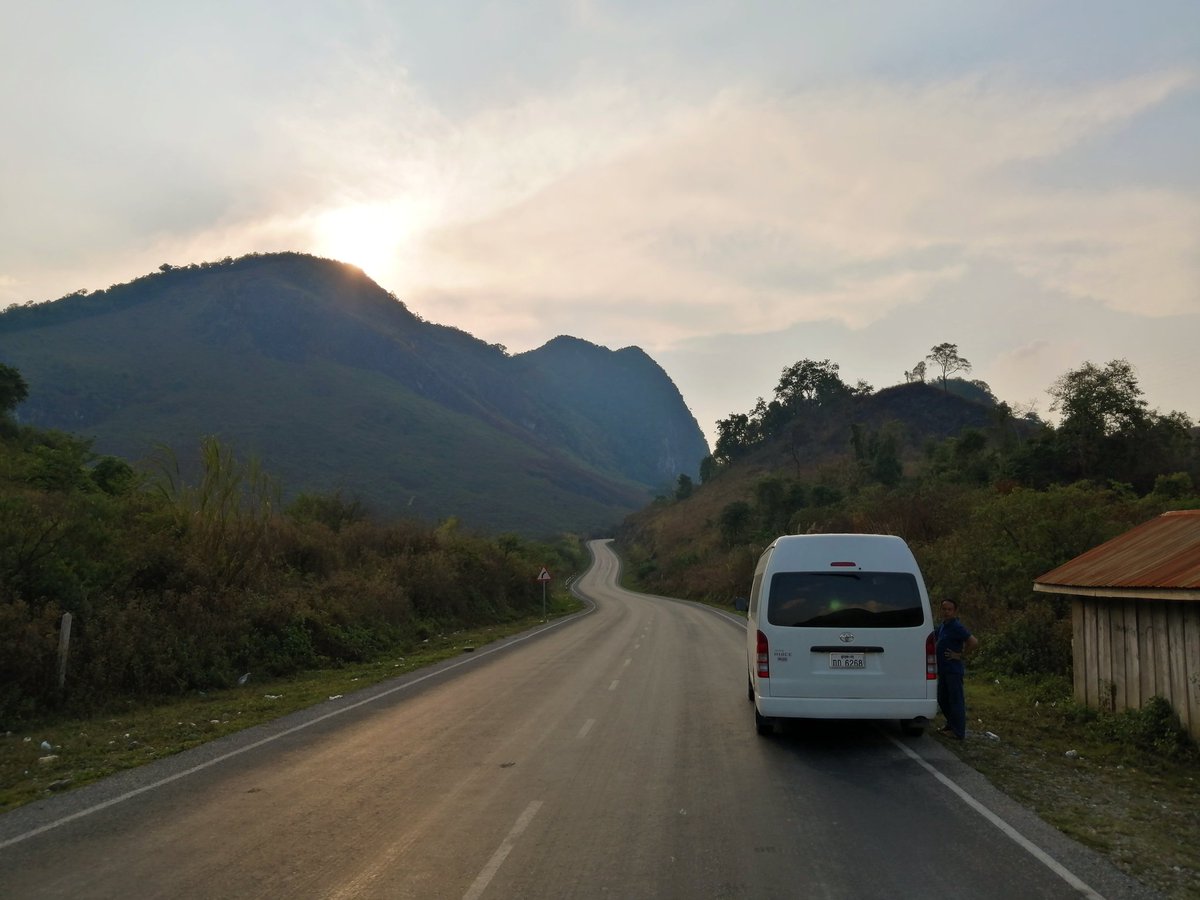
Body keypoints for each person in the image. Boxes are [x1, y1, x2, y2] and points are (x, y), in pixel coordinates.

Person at [936, 598, 979, 740]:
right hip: (943, 670)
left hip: (953, 670)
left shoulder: (956, 627)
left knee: (956, 701)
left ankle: (958, 731)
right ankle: (950, 725)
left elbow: (973, 642)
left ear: (955, 611)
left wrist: (959, 655)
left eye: (949, 609)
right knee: (943, 698)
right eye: (944, 609)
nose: (946, 612)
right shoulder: (943, 626)